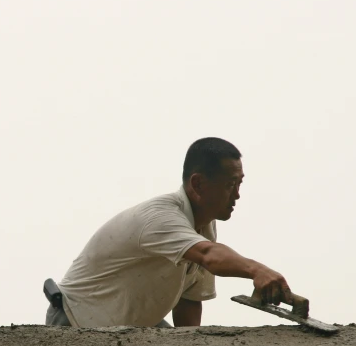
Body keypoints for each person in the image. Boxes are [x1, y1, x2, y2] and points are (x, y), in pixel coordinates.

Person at [45, 137, 293, 328]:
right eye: (230, 185)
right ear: (197, 184)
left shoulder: (203, 228)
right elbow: (208, 255)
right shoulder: (161, 218)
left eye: (239, 184)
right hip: (76, 319)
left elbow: (190, 296)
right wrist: (257, 270)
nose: (237, 195)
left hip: (127, 327)